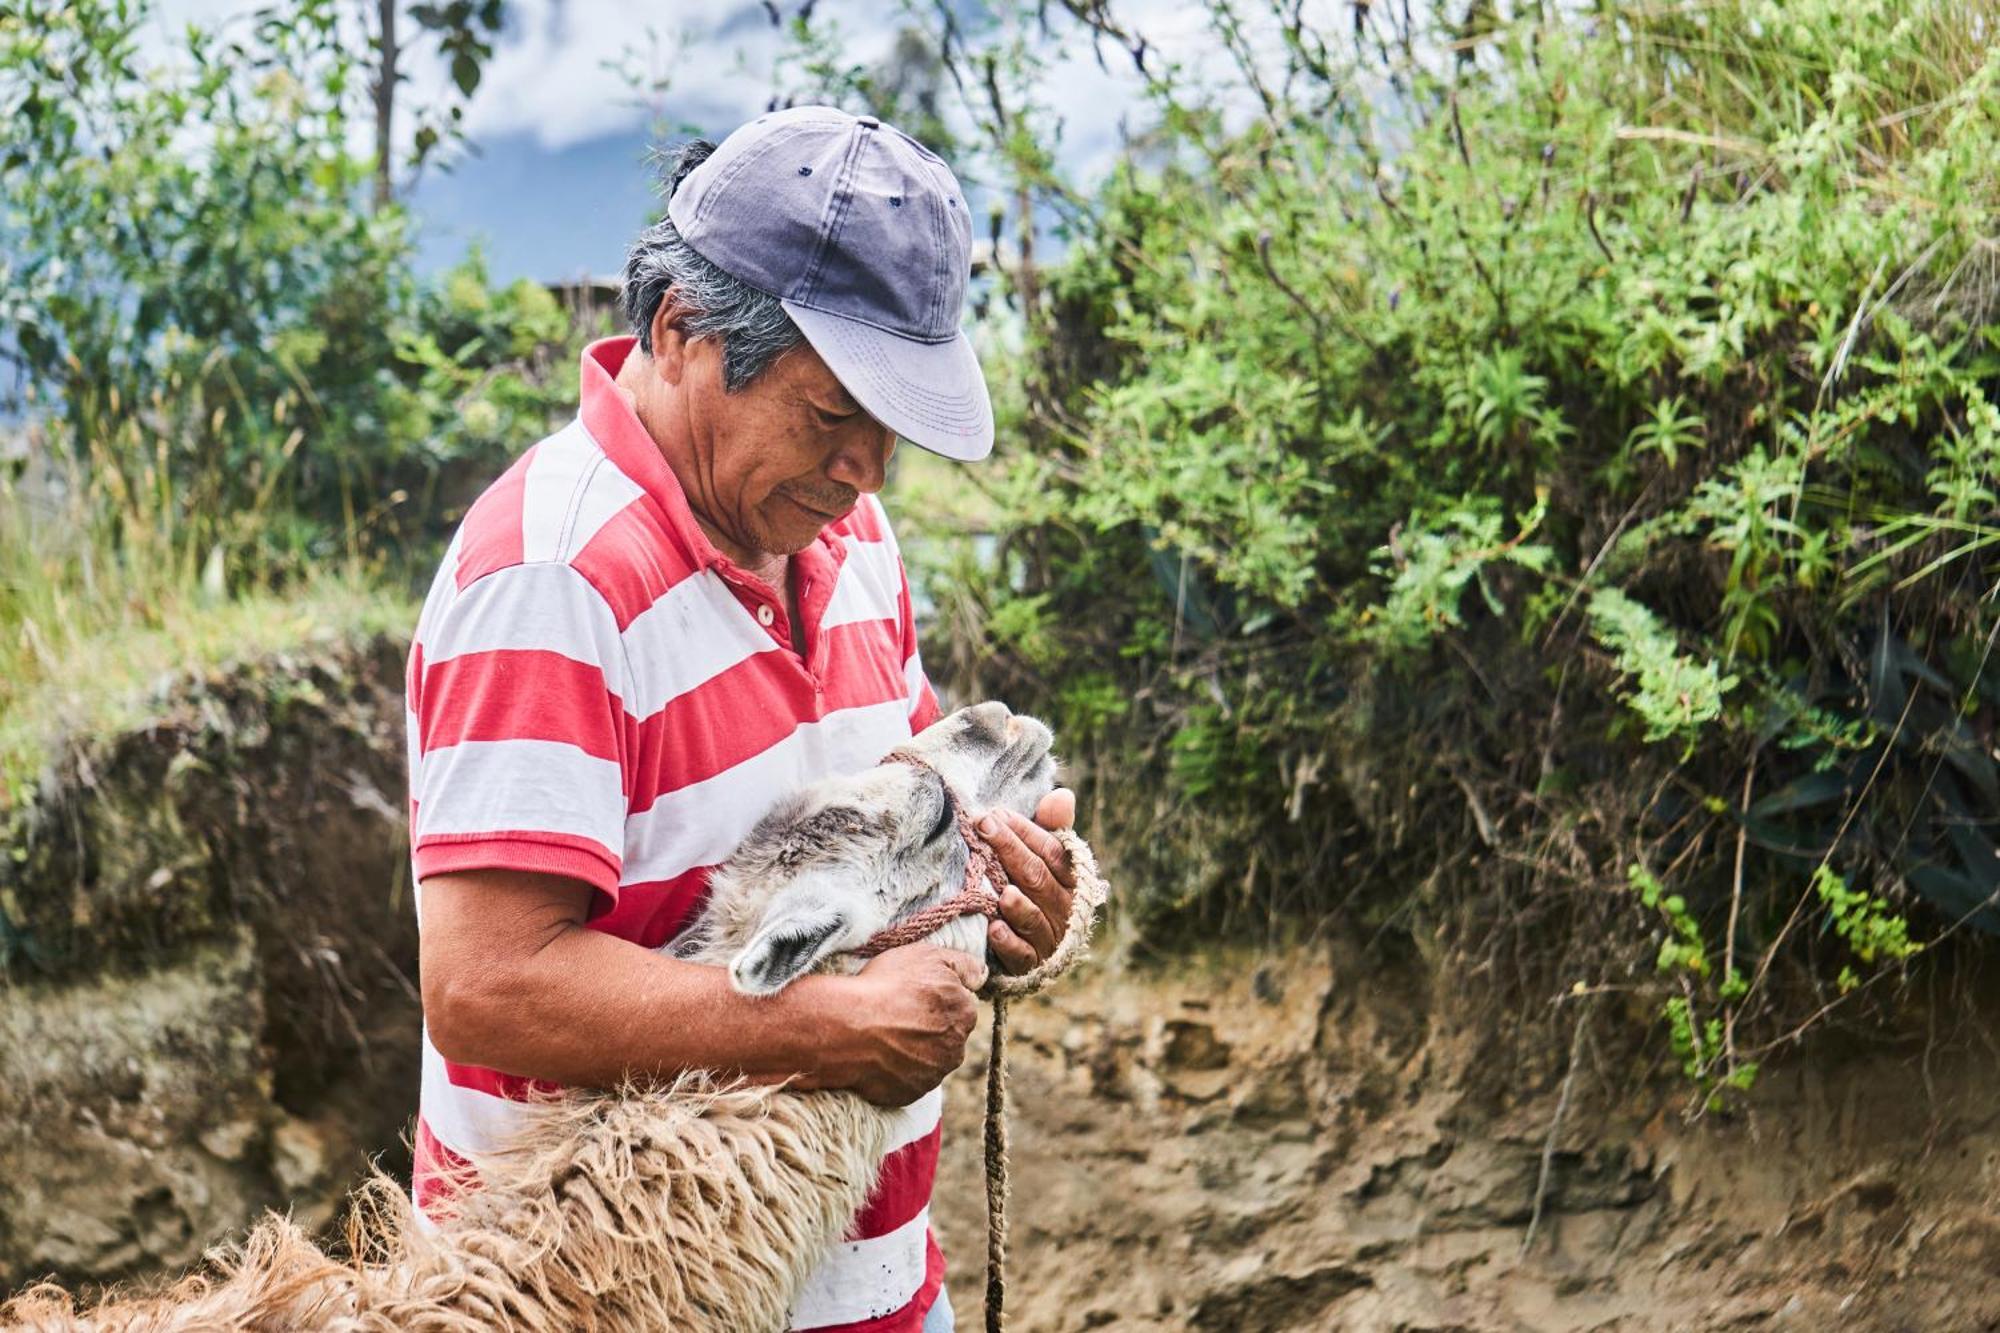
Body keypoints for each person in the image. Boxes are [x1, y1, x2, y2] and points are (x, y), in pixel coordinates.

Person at [404, 106, 1078, 1333]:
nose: (867, 468)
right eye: (831, 415)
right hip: (599, 1295)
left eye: (893, 429)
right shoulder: (550, 580)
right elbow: (488, 986)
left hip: (867, 1281)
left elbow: (905, 830)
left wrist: (1006, 893)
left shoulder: (843, 536)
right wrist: (820, 1028)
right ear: (681, 333)